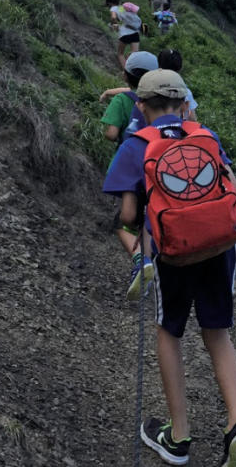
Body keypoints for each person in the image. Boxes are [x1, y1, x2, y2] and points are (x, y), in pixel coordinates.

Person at [102, 70, 236, 466]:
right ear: (183, 104)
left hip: (172, 253)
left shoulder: (137, 145)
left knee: (169, 333)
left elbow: (129, 214)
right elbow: (231, 190)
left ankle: (179, 437)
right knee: (217, 333)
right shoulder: (206, 136)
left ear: (141, 105)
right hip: (220, 248)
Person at [99, 51, 160, 300]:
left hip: (130, 170)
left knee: (123, 222)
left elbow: (111, 134)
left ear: (126, 75)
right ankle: (149, 262)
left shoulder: (123, 101)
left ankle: (140, 261)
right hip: (158, 167)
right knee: (150, 218)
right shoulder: (157, 102)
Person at [107, 0, 142, 69]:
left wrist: (114, 25)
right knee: (134, 54)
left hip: (125, 34)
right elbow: (125, 18)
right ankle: (131, 66)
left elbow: (113, 18)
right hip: (135, 32)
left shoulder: (114, 8)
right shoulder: (122, 7)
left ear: (110, 3)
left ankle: (126, 70)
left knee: (120, 53)